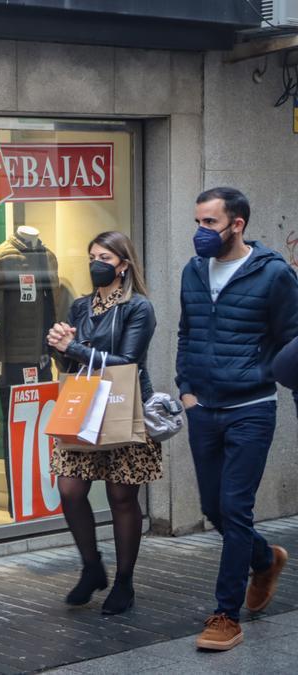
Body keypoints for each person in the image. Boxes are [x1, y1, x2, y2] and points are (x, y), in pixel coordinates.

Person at [177, 187, 298, 651]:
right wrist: (186, 389)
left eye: (209, 223)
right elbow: (187, 332)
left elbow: (293, 340)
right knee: (213, 509)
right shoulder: (193, 270)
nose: (200, 232)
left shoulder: (273, 275)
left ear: (237, 224)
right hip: (202, 409)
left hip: (251, 409)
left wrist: (265, 376)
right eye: (198, 222)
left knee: (235, 508)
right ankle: (266, 559)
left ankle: (225, 615)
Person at [46, 231, 157, 616]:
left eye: (105, 257)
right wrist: (57, 345)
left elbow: (127, 361)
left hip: (125, 408)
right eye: (92, 255)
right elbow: (69, 364)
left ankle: (124, 582)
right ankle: (92, 566)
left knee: (121, 497)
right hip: (83, 407)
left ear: (123, 264)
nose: (97, 263)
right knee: (70, 488)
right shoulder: (80, 306)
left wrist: (73, 348)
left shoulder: (138, 307)